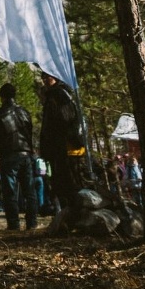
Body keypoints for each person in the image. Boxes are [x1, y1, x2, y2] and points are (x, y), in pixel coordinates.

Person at [0, 81, 38, 230]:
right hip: (26, 154)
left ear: (2, 97)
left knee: (10, 192)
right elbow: (30, 132)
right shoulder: (24, 112)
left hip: (9, 155)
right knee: (30, 191)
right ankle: (32, 222)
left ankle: (14, 224)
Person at [38, 72, 86, 216]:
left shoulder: (59, 95)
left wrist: (60, 143)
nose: (46, 80)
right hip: (59, 149)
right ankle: (69, 215)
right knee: (61, 184)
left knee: (67, 183)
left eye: (48, 77)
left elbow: (67, 121)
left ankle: (74, 215)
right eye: (43, 78)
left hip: (64, 149)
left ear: (56, 77)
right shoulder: (56, 95)